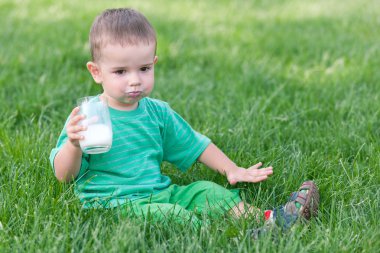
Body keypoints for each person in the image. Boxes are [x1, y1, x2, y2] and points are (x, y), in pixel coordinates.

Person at [49, 8, 319, 233]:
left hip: (159, 192)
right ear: (96, 72)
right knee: (178, 217)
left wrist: (232, 169)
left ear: (154, 63)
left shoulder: (157, 113)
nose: (135, 80)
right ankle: (238, 239)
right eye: (120, 71)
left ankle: (272, 220)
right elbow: (64, 176)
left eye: (144, 69)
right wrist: (74, 145)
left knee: (206, 192)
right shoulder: (87, 118)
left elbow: (195, 144)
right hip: (112, 203)